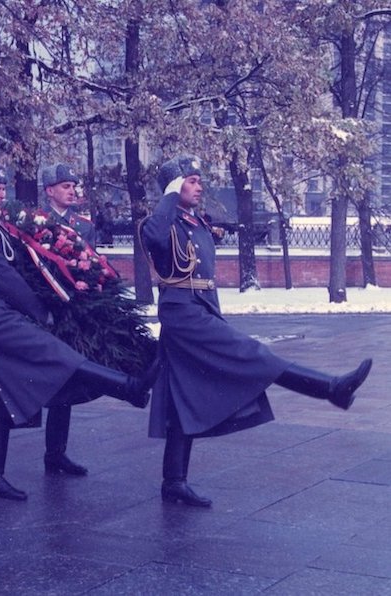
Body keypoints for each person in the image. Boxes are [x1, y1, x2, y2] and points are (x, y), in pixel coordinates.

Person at [140, 154, 372, 508]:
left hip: (199, 312)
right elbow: (155, 238)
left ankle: (173, 481)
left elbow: (204, 276)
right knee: (254, 354)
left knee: (180, 397)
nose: (199, 185)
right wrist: (168, 195)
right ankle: (330, 388)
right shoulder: (160, 222)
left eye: (199, 180)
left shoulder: (194, 222)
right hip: (181, 314)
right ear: (173, 187)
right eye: (190, 180)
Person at [0, 160, 155, 501]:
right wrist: (39, 311)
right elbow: (5, 276)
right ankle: (129, 388)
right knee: (55, 354)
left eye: (3, 189)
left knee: (0, 392)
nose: (3, 194)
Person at [37, 162, 98, 475]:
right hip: (45, 312)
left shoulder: (83, 226)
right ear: (50, 191)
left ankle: (56, 452)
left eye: (74, 186)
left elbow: (95, 266)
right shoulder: (35, 223)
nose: (72, 191)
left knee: (68, 379)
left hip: (74, 310)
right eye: (65, 186)